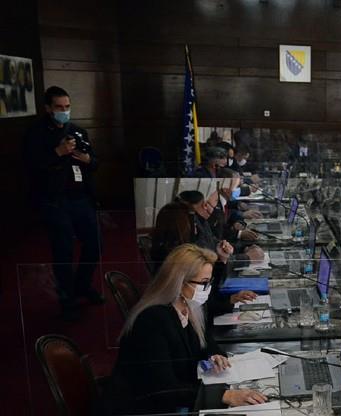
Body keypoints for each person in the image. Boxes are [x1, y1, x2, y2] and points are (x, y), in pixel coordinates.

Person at [109, 244, 267, 414]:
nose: (208, 289)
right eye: (204, 283)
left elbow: (205, 339)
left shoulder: (189, 305)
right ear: (179, 282)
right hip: (144, 408)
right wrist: (224, 395)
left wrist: (214, 354)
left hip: (177, 396)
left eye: (210, 282)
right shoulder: (152, 320)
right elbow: (164, 388)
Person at [23, 86, 103, 320]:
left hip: (81, 198)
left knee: (95, 244)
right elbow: (31, 167)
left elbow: (94, 162)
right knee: (63, 250)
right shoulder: (35, 134)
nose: (64, 111)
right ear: (48, 108)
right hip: (54, 201)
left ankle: (82, 285)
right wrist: (57, 152)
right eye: (59, 107)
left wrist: (88, 160)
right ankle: (67, 298)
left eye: (67, 107)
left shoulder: (77, 131)